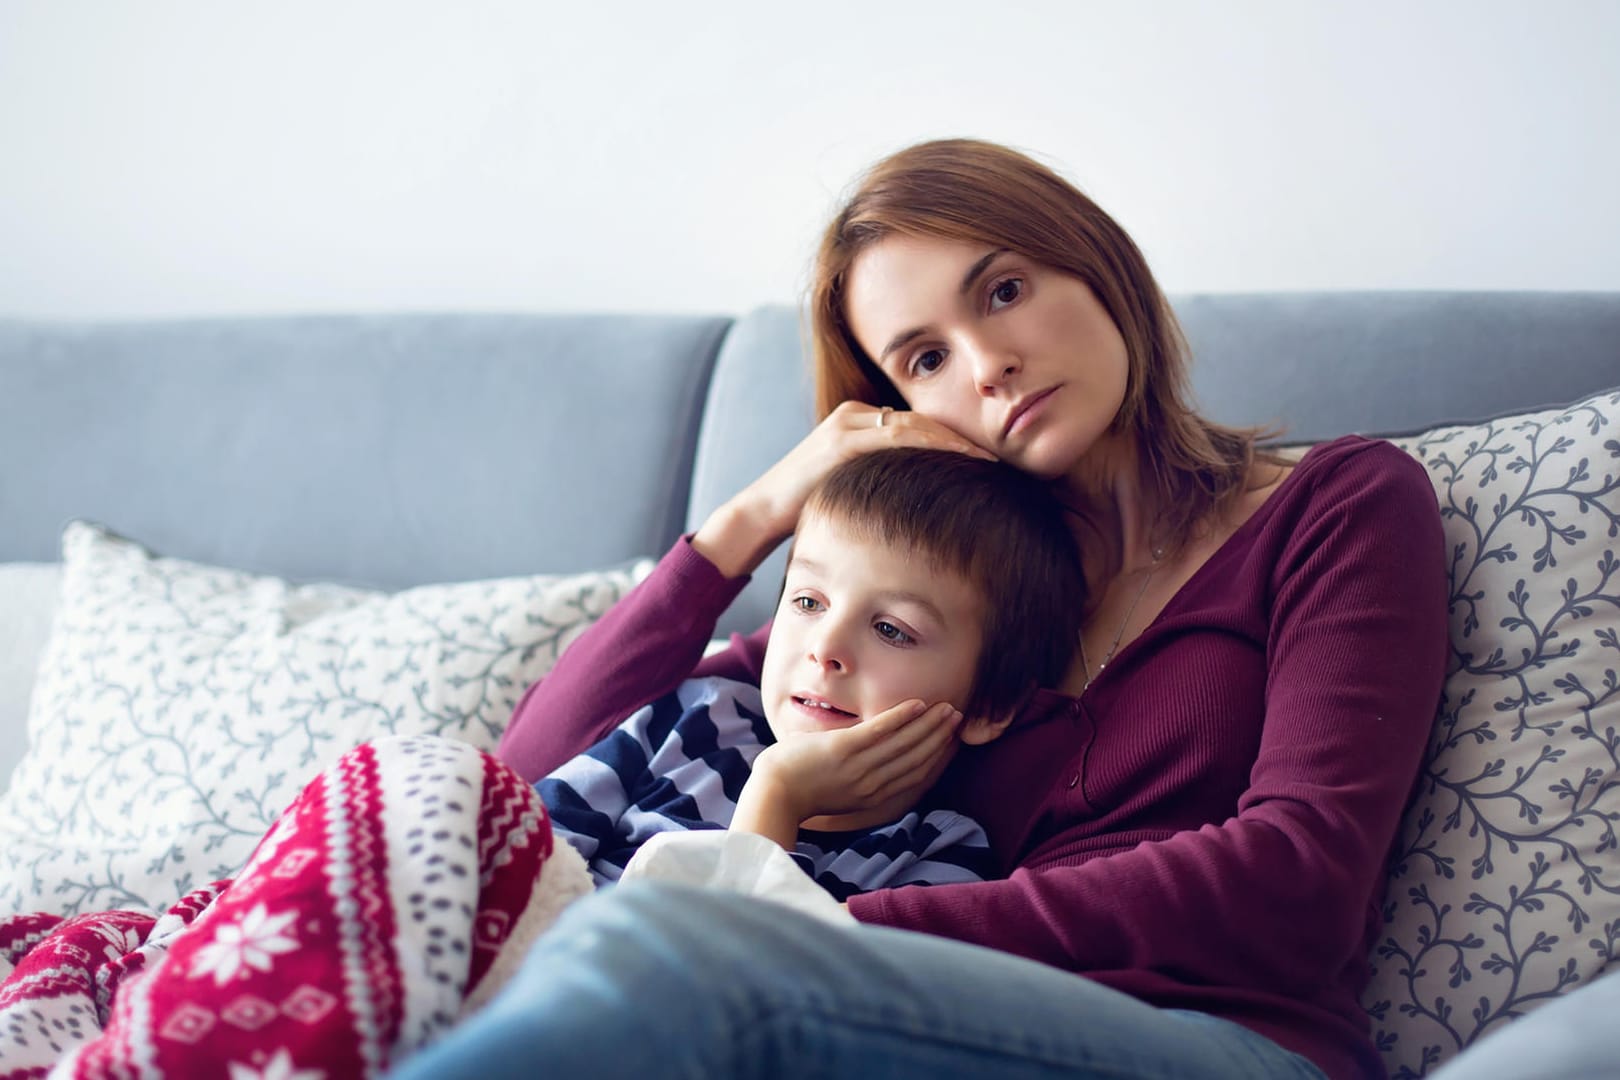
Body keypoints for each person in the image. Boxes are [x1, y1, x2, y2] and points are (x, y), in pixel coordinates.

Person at [396, 138, 1449, 1080]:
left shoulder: (1338, 504)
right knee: (605, 947)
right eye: (927, 359)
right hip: (906, 1022)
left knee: (662, 948)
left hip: (1225, 1041)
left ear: (1097, 262)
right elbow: (534, 773)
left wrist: (818, 930)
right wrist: (756, 514)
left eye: (1002, 291)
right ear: (903, 412)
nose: (989, 365)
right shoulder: (926, 608)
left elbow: (1300, 880)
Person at [537, 446, 1087, 899]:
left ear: (989, 704)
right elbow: (510, 856)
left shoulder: (937, 863)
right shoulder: (691, 718)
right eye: (807, 602)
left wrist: (777, 796)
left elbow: (733, 988)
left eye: (891, 629)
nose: (825, 648)